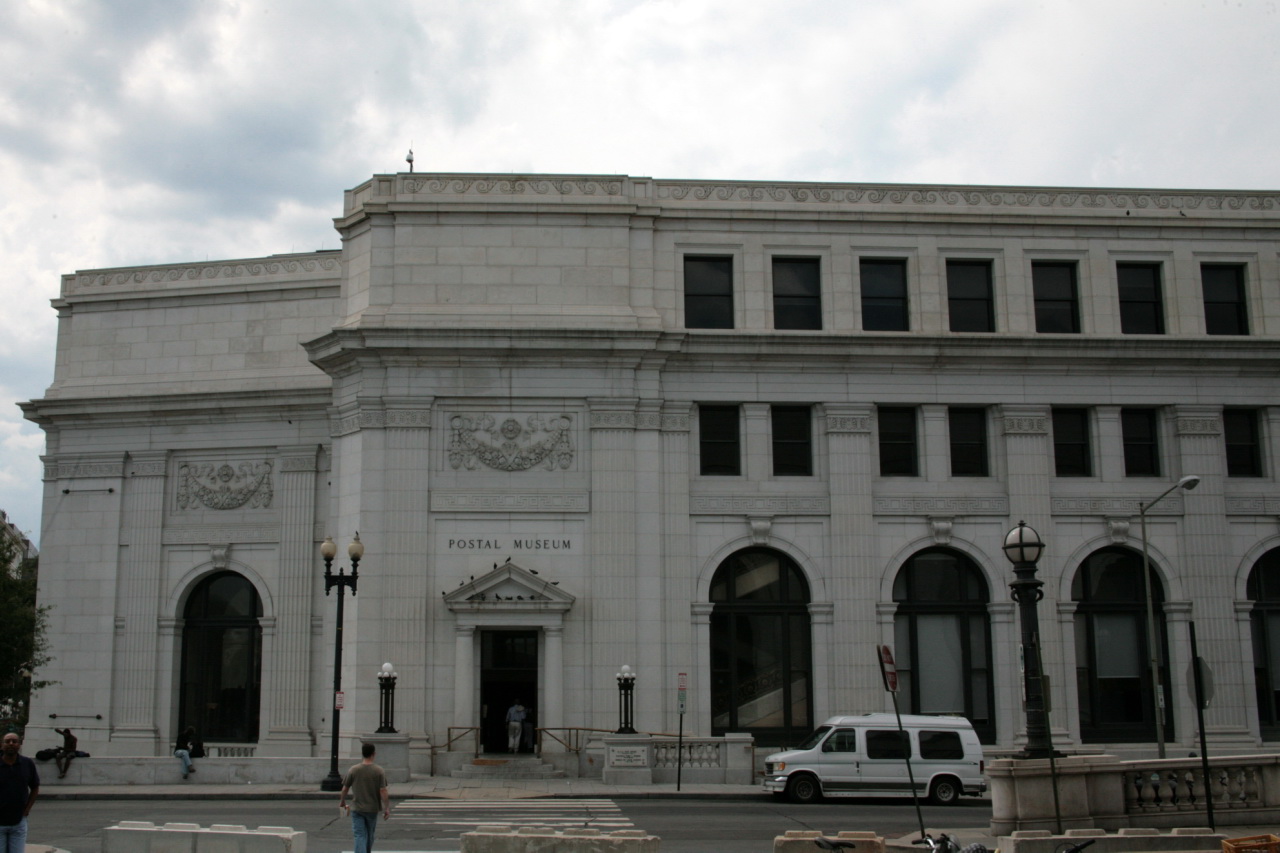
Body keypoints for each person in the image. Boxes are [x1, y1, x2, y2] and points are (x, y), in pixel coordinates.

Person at [339, 742, 389, 853]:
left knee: (359, 835)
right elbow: (383, 790)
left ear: (362, 754)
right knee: (370, 834)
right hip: (372, 808)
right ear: (373, 754)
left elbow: (345, 788)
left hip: (357, 808)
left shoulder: (354, 769)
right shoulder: (379, 771)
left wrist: (342, 801)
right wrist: (386, 808)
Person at [0, 732, 39, 852]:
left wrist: (27, 810)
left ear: (20, 744)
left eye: (14, 741)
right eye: (7, 741)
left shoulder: (27, 764)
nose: (11, 744)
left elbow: (35, 787)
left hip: (19, 821)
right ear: (2, 745)